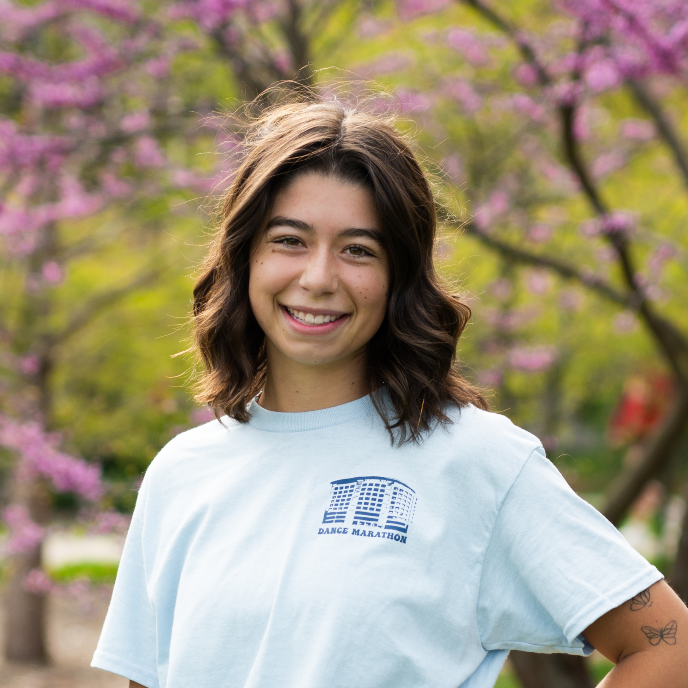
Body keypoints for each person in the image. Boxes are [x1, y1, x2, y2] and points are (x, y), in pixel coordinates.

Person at [92, 93, 688, 688]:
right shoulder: (183, 472)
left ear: (398, 276)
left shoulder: (476, 461)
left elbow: (670, 647)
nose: (319, 278)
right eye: (289, 241)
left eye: (358, 250)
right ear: (245, 257)